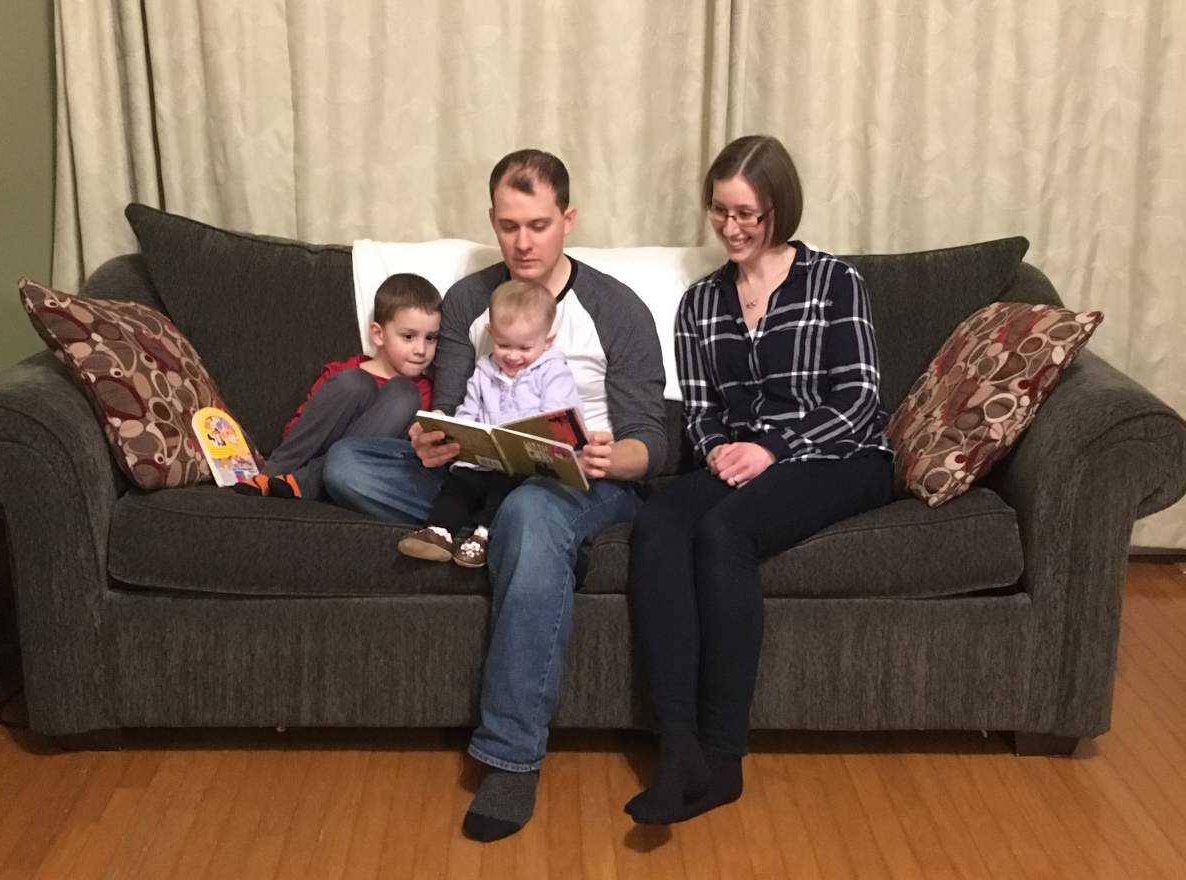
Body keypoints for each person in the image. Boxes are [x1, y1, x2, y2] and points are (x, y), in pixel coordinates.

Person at [323, 149, 666, 842]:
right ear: (492, 222)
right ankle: (485, 527)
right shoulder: (471, 301)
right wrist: (434, 438)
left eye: (538, 224)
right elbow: (448, 404)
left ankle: (511, 756)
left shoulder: (615, 309)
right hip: (481, 469)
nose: (523, 242)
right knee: (351, 463)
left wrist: (611, 454)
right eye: (509, 225)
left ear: (567, 220)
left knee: (531, 509)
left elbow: (652, 442)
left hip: (580, 481)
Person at [624, 135, 895, 826]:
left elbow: (859, 399)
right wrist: (719, 453)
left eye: (748, 213)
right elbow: (705, 413)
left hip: (840, 456)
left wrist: (770, 448)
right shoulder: (700, 304)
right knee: (658, 522)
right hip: (742, 461)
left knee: (724, 531)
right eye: (720, 212)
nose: (732, 228)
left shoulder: (835, 282)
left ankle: (723, 757)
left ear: (780, 209)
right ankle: (677, 747)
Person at [397, 279, 580, 567]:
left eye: (525, 347)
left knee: (507, 489)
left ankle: (484, 535)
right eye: (503, 344)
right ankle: (438, 531)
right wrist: (459, 432)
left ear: (547, 341)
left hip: (524, 466)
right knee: (461, 483)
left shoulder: (554, 371)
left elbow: (556, 418)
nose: (513, 355)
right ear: (490, 333)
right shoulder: (484, 370)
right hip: (483, 458)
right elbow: (470, 408)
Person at [234, 273, 441, 500]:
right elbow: (297, 431)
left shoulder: (425, 392)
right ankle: (270, 474)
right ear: (378, 334)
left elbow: (406, 458)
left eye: (431, 338)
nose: (421, 349)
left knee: (404, 393)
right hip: (293, 468)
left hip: (352, 474)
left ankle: (310, 481)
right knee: (356, 382)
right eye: (409, 336)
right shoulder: (343, 373)